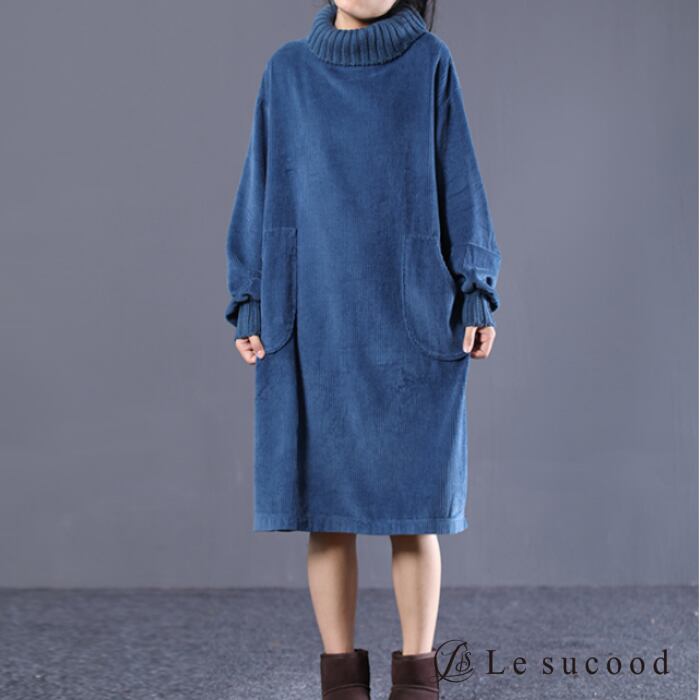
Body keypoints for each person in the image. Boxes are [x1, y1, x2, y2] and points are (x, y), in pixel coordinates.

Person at [224, 1, 501, 697]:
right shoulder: (287, 72)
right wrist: (249, 296)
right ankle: (341, 680)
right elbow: (258, 188)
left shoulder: (429, 64)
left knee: (415, 512)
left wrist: (476, 288)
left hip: (413, 313)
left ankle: (418, 680)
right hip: (314, 313)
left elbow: (461, 182)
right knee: (327, 513)